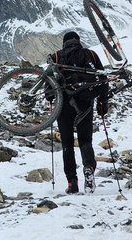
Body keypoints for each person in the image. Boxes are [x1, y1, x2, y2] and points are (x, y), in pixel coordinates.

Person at [46, 31, 108, 194]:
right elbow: (103, 79)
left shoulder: (57, 57)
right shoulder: (90, 55)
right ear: (78, 41)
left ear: (64, 43)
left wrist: (50, 98)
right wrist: (103, 103)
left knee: (67, 144)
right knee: (85, 141)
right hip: (85, 103)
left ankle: (72, 183)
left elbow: (48, 85)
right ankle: (88, 167)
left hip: (63, 105)